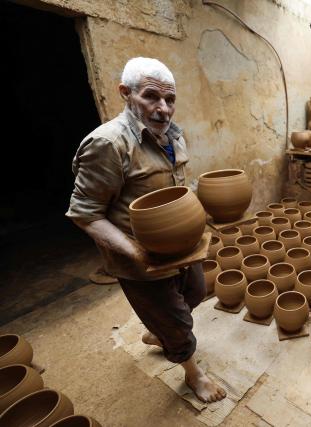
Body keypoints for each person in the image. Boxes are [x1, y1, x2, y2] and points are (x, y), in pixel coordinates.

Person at [66, 57, 226, 403]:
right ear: (126, 93)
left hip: (181, 246)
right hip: (141, 258)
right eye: (151, 97)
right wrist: (137, 252)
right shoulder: (108, 144)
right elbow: (84, 213)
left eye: (169, 100)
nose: (163, 108)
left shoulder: (171, 135)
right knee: (178, 321)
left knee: (196, 292)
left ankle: (160, 333)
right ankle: (192, 372)